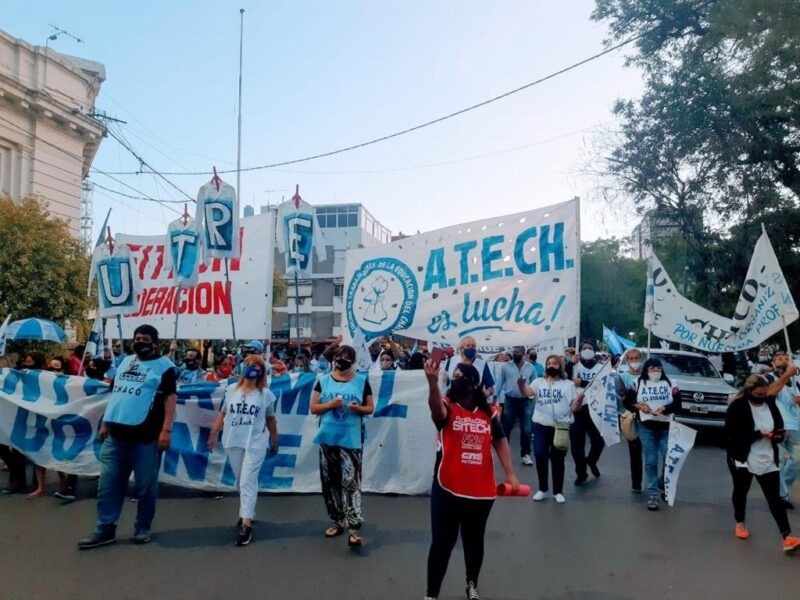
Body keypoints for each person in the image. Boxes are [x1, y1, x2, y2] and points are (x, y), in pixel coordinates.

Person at [423, 359, 519, 600]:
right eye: (453, 376)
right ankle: (431, 595)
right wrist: (432, 384)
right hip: (447, 487)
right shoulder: (447, 405)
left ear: (474, 384)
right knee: (442, 543)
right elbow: (436, 410)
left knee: (474, 543)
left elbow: (500, 440)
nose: (456, 380)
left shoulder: (489, 412)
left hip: (481, 492)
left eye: (461, 376)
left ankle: (471, 584)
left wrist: (510, 473)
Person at [78, 324, 177, 549]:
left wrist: (166, 430)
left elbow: (170, 399)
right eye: (137, 338)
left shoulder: (166, 367)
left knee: (145, 487)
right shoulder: (124, 362)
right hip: (116, 436)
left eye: (145, 338)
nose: (140, 342)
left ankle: (142, 526)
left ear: (155, 342)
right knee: (107, 485)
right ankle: (105, 528)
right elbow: (117, 394)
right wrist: (106, 422)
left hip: (147, 438)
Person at [207, 354, 279, 546]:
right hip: (233, 440)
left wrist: (274, 438)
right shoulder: (231, 390)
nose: (250, 367)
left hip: (255, 442)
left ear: (261, 370)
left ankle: (246, 523)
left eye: (255, 364)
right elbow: (223, 413)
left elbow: (270, 418)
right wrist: (214, 432)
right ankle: (248, 511)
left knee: (248, 479)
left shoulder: (265, 394)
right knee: (241, 479)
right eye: (247, 364)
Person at [725, 372, 800, 552]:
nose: (761, 397)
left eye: (764, 394)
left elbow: (779, 427)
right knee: (741, 490)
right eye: (758, 395)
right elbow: (732, 434)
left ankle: (787, 536)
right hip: (742, 456)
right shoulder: (738, 406)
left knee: (774, 498)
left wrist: (777, 436)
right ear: (749, 391)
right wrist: (759, 435)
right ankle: (740, 522)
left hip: (766, 456)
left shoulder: (770, 404)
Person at [310, 344, 374, 548]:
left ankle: (354, 529)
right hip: (327, 440)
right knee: (330, 482)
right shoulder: (323, 381)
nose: (342, 359)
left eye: (347, 357)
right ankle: (338, 520)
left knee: (351, 484)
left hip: (351, 441)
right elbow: (313, 407)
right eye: (339, 356)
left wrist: (358, 408)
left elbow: (370, 407)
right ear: (334, 359)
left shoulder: (362, 382)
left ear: (353, 361)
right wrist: (329, 405)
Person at [623, 357, 681, 511]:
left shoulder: (671, 384)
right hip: (646, 427)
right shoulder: (637, 384)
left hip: (666, 426)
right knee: (651, 460)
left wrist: (665, 409)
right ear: (646, 370)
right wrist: (639, 406)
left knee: (669, 458)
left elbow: (678, 404)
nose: (656, 371)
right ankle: (653, 494)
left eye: (658, 368)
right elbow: (627, 402)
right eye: (652, 368)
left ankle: (662, 482)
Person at [518, 355, 577, 503]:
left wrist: (579, 401)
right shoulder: (539, 382)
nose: (551, 366)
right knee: (539, 454)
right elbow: (528, 393)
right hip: (540, 424)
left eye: (555, 364)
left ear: (560, 367)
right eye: (549, 363)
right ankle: (542, 488)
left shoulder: (568, 385)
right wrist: (521, 385)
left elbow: (574, 406)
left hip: (560, 426)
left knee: (557, 458)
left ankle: (558, 491)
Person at [763, 351, 800, 509]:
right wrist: (786, 376)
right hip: (776, 425)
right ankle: (781, 496)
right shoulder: (768, 378)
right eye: (779, 359)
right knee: (779, 460)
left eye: (787, 359)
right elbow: (770, 393)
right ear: (773, 364)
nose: (784, 361)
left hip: (795, 425)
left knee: (797, 461)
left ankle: (778, 488)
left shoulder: (797, 381)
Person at [566, 340, 605, 485]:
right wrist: (570, 363)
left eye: (590, 348)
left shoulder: (601, 368)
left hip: (595, 409)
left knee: (598, 441)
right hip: (577, 409)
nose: (587, 350)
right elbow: (564, 377)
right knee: (576, 444)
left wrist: (581, 382)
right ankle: (581, 472)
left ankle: (591, 460)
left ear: (594, 351)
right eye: (584, 348)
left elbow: (602, 385)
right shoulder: (575, 366)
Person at [496, 346, 536, 466]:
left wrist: (536, 399)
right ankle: (505, 453)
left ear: (524, 354)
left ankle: (526, 455)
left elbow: (535, 384)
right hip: (510, 401)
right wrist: (494, 397)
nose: (515, 354)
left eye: (518, 352)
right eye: (514, 352)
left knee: (526, 430)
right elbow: (500, 382)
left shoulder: (530, 367)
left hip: (526, 402)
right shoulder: (506, 366)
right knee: (506, 428)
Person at [615, 349, 645, 493]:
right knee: (635, 451)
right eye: (631, 358)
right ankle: (637, 483)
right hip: (632, 418)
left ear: (642, 358)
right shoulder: (621, 377)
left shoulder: (649, 376)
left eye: (637, 358)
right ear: (627, 361)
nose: (634, 361)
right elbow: (622, 398)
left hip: (650, 419)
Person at [443, 336, 495, 402]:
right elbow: (444, 382)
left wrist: (487, 392)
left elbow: (490, 387)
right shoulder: (452, 361)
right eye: (468, 346)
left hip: (474, 403)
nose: (471, 348)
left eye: (474, 346)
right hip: (453, 402)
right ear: (461, 348)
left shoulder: (482, 364)